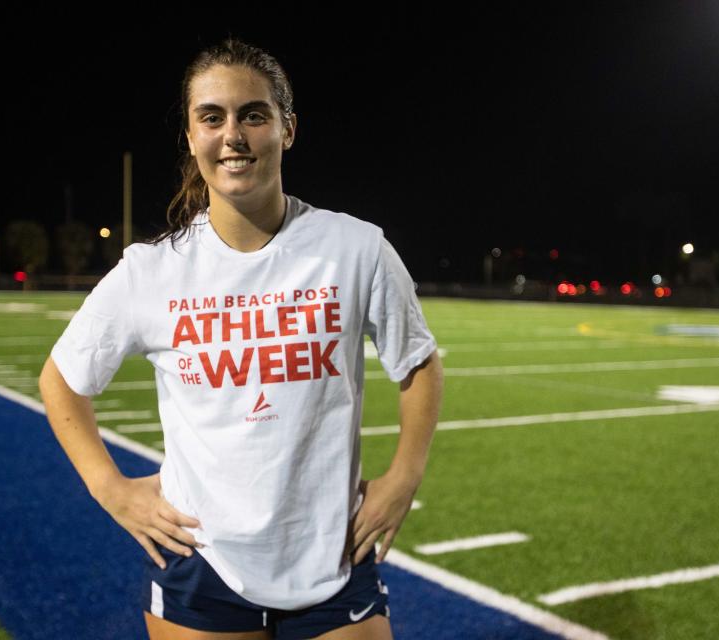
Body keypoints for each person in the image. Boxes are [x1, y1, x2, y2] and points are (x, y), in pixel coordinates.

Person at [39, 37, 443, 640]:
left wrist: (403, 477)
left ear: (287, 129)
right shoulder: (152, 270)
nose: (234, 134)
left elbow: (419, 364)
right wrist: (111, 490)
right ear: (192, 135)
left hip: (333, 556)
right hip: (203, 557)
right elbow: (62, 380)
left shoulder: (357, 249)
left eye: (254, 114)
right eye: (213, 117)